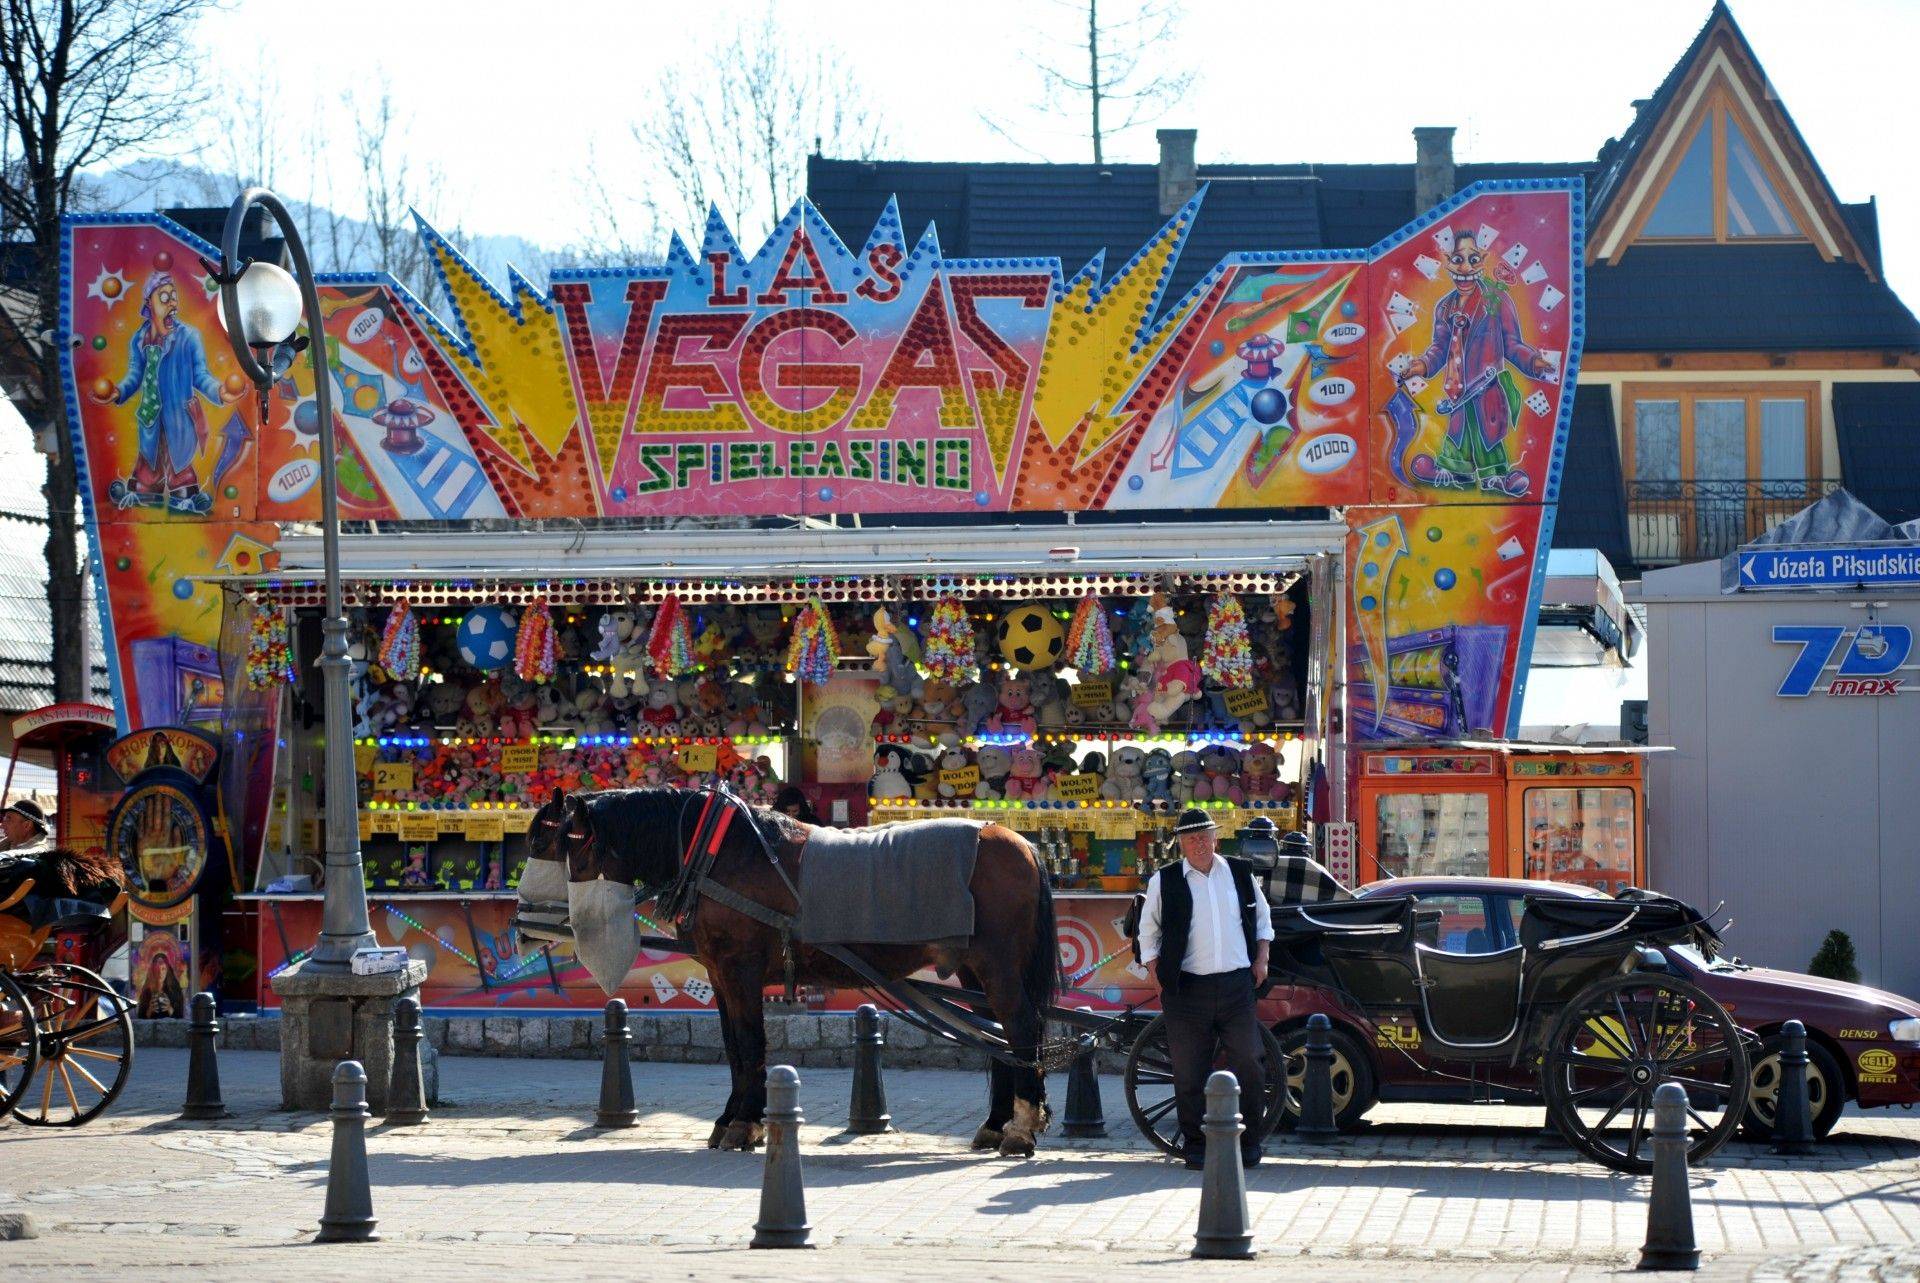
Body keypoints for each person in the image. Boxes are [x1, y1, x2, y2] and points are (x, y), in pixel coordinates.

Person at [1137, 807, 1273, 1170]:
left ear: (1216, 838)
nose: (1198, 844)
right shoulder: (1164, 880)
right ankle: (1196, 1146)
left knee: (1249, 1062)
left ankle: (1248, 1143)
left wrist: (1261, 959)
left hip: (1235, 985)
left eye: (1204, 837)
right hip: (1186, 989)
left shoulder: (1241, 874)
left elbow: (1262, 920)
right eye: (1190, 839)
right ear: (1180, 844)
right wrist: (1155, 971)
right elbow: (1147, 931)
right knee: (1188, 1070)